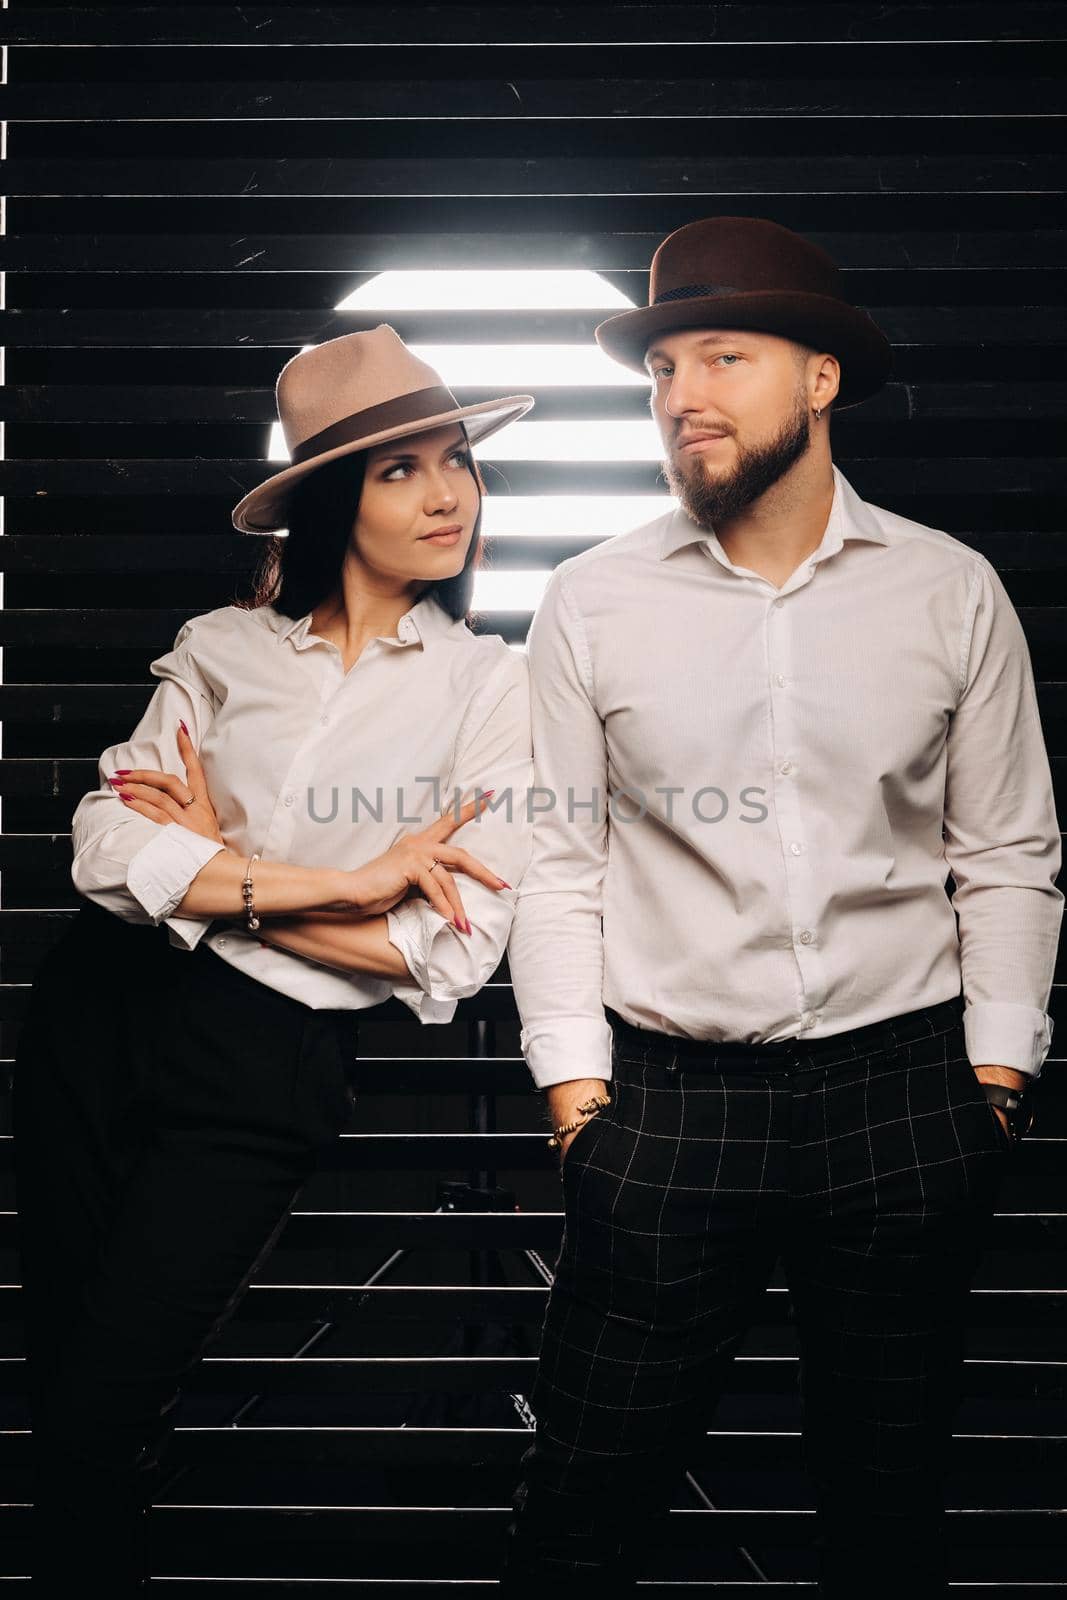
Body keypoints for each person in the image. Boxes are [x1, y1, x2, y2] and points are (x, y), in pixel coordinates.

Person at [498, 217, 1063, 1596]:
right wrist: (576, 1093)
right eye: (662, 368)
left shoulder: (947, 591)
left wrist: (991, 1073)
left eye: (724, 357)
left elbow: (1002, 848)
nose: (682, 393)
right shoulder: (589, 600)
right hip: (668, 1104)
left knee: (886, 1511)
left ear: (817, 379)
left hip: (903, 1094)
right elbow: (557, 859)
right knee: (580, 1508)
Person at [12, 325, 536, 1594]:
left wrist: (217, 876)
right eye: (399, 469)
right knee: (68, 1387)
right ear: (325, 498)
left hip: (264, 1063)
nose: (446, 493)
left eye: (454, 459)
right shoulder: (221, 646)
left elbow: (443, 951)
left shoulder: (492, 688)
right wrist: (342, 881)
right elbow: (99, 840)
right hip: (101, 1012)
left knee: (110, 1392)